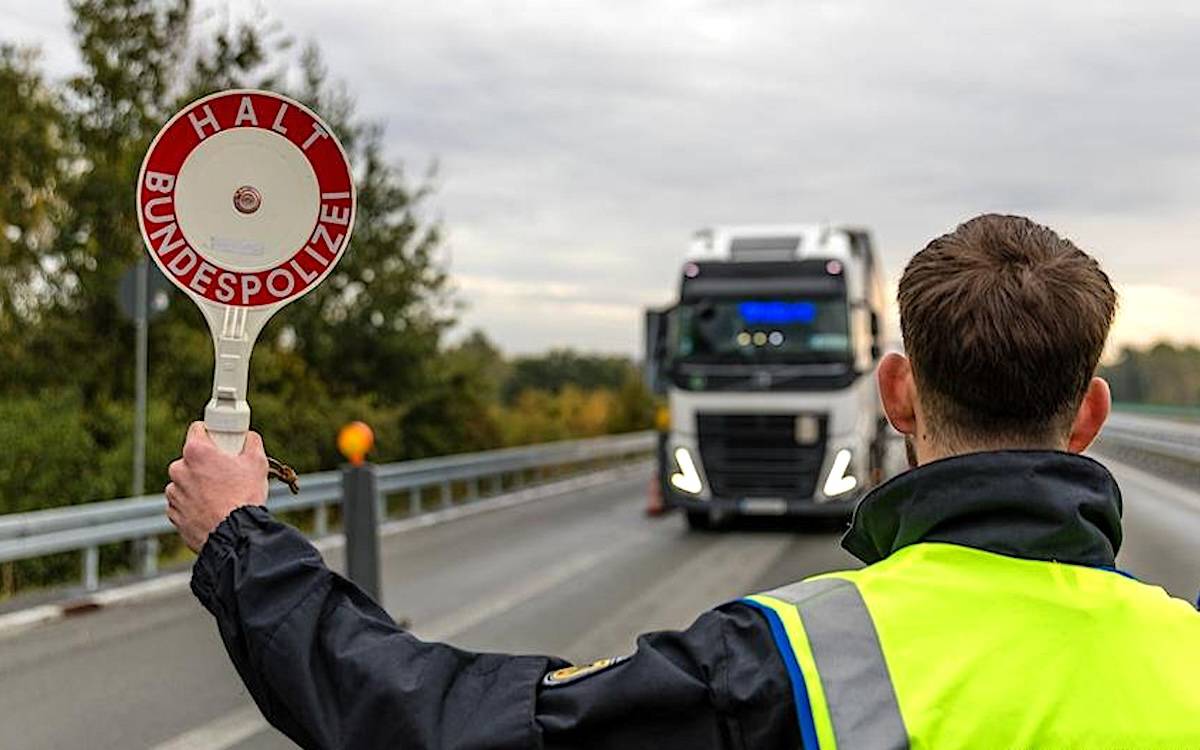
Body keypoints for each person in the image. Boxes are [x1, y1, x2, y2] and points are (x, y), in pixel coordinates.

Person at [166, 214, 1200, 749]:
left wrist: (241, 538)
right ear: (1091, 414)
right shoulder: (1186, 656)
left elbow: (440, 725)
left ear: (894, 390)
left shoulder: (792, 661)